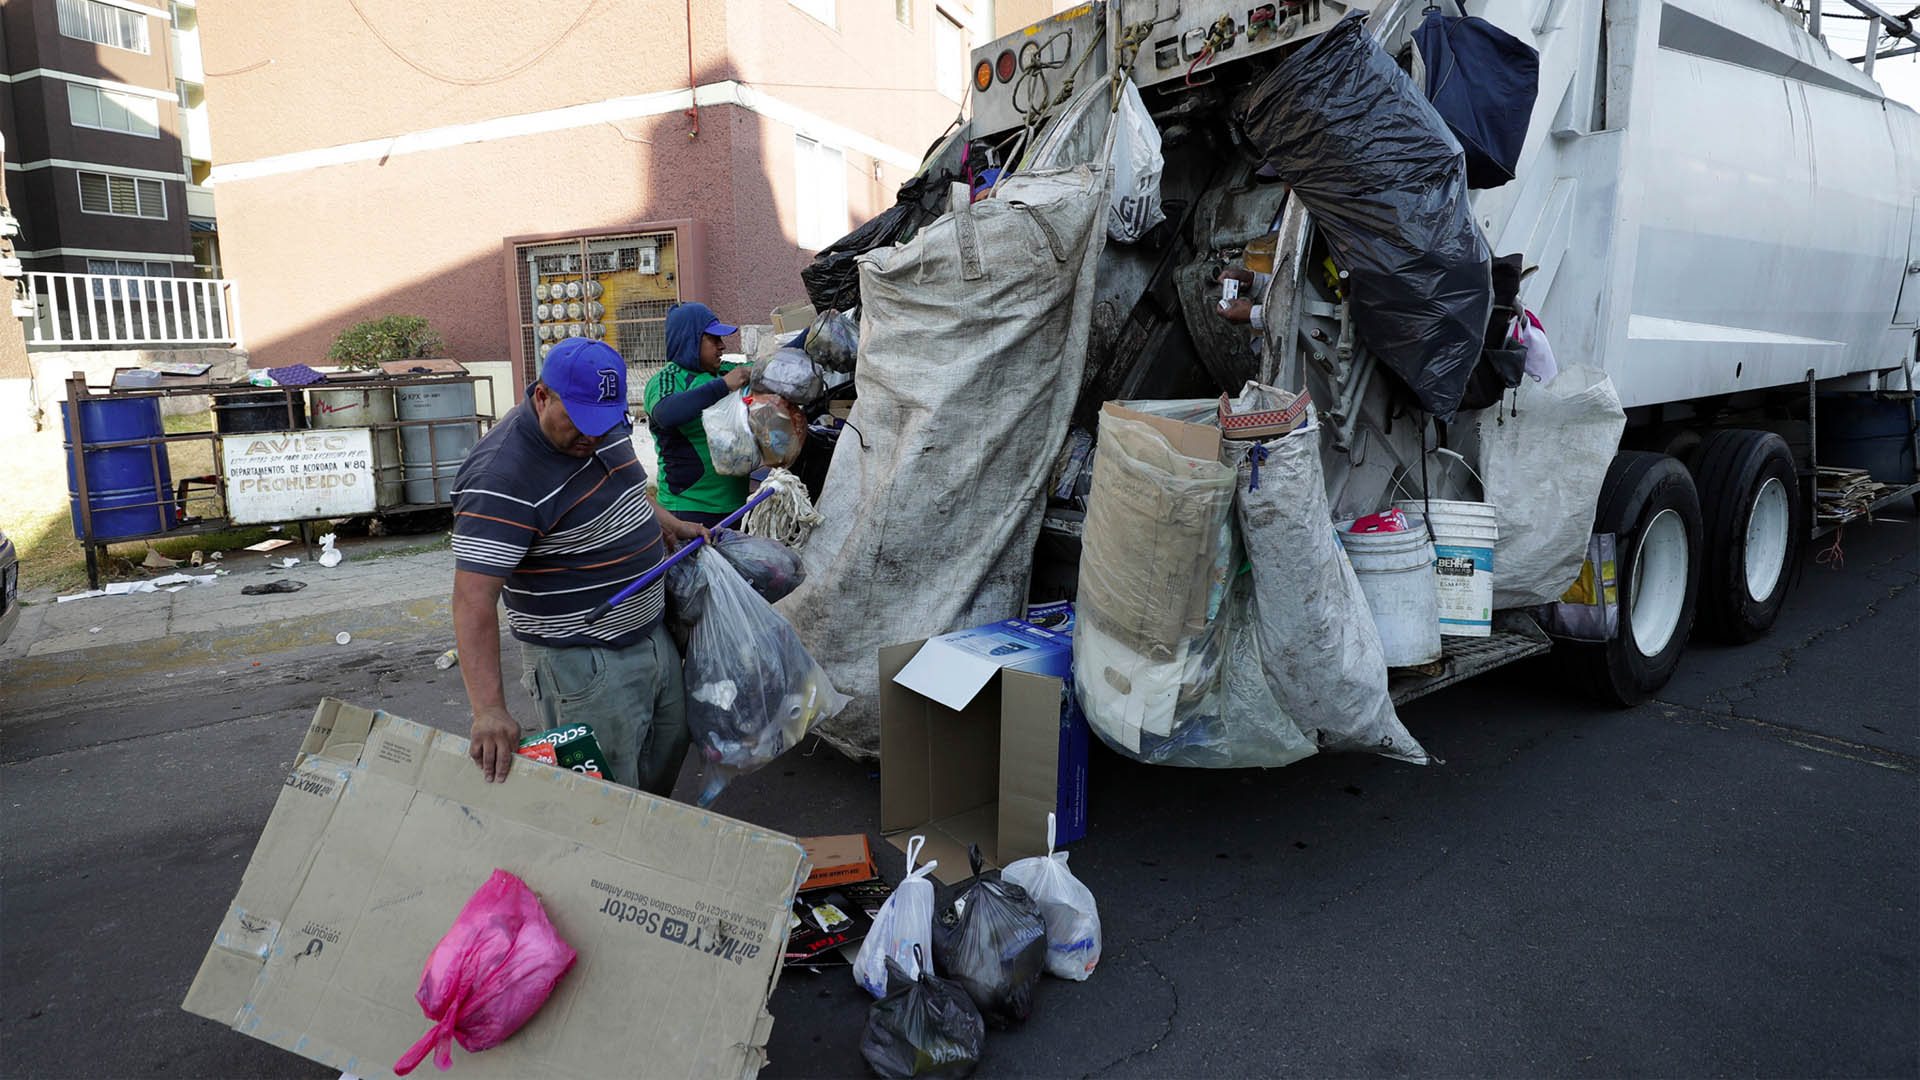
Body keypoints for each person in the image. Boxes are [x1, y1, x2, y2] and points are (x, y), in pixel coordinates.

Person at [449, 337, 709, 794]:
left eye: (603, 423)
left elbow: (629, 485)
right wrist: (488, 709)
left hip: (649, 633)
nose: (592, 437)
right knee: (606, 798)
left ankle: (648, 851)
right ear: (542, 396)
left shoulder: (598, 423)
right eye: (579, 422)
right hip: (583, 660)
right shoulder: (500, 475)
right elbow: (473, 600)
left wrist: (669, 523)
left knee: (665, 757)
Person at [644, 302, 752, 527]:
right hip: (686, 512)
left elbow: (771, 366)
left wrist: (809, 335)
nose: (722, 346)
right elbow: (666, 413)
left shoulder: (725, 371)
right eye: (714, 339)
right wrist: (723, 386)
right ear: (690, 341)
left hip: (738, 507)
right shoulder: (667, 380)